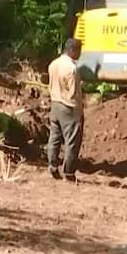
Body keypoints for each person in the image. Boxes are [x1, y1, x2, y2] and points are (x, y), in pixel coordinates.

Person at [47, 38, 84, 182]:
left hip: (55, 104)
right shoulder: (72, 68)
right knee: (72, 141)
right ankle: (69, 173)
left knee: (54, 138)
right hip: (68, 107)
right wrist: (78, 110)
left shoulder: (53, 64)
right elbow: (73, 93)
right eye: (79, 51)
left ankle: (52, 165)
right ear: (72, 50)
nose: (80, 54)